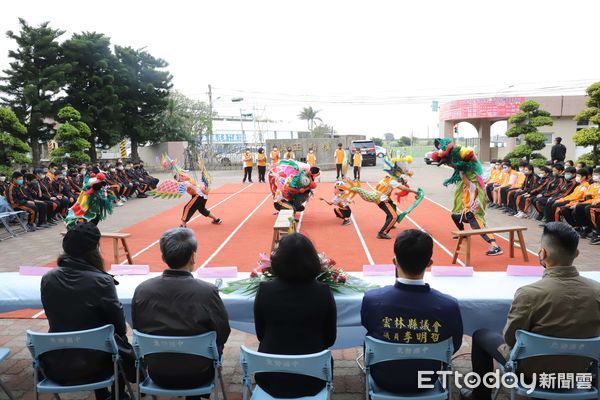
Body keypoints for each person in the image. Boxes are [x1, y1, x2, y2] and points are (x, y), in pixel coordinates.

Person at [461, 222, 600, 400]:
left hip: (531, 372)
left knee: (480, 335)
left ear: (543, 254)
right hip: (580, 368)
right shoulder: (596, 291)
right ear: (577, 254)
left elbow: (510, 338)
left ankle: (479, 396)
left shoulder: (529, 293)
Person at [40, 222, 136, 400]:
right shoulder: (101, 281)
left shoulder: (48, 278)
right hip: (98, 365)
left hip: (57, 361)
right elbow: (119, 327)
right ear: (95, 249)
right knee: (118, 340)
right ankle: (118, 395)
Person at [132, 228, 231, 397]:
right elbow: (222, 333)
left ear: (163, 257)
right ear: (193, 256)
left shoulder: (142, 290)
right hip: (199, 374)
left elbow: (138, 326)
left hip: (158, 373)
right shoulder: (207, 292)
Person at [362, 230, 463, 393]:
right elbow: (454, 345)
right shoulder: (448, 305)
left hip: (383, 377)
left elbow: (369, 327)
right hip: (427, 378)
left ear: (395, 261)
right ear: (429, 263)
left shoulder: (373, 299)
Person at [253, 233, 336, 398]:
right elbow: (329, 339)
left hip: (271, 380)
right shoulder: (323, 292)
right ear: (312, 261)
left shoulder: (265, 291)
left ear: (278, 261)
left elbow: (260, 334)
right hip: (314, 379)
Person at [452, 171, 503, 256]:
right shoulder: (465, 187)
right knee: (455, 216)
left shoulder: (473, 187)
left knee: (482, 230)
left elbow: (464, 178)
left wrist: (461, 169)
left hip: (473, 215)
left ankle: (496, 247)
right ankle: (462, 234)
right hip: (467, 214)